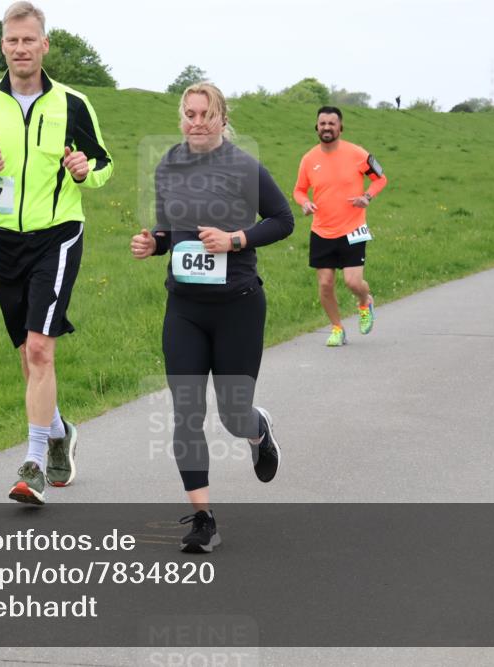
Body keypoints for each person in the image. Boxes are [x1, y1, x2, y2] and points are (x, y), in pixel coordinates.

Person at [0, 1, 113, 505]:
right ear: (2, 45)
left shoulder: (73, 104)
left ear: (45, 45)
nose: (20, 49)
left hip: (56, 235)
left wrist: (88, 171)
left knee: (42, 348)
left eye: (29, 40)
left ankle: (35, 464)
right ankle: (60, 430)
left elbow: (105, 165)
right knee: (27, 354)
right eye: (12, 40)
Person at [130, 83, 293, 553]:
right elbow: (171, 232)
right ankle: (204, 519)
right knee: (186, 412)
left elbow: (282, 220)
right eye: (190, 114)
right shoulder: (170, 166)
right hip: (185, 307)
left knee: (232, 413)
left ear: (222, 119)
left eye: (206, 114)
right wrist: (153, 244)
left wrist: (235, 240)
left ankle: (257, 429)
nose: (197, 122)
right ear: (181, 118)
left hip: (238, 305)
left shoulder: (243, 166)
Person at [293, 106, 387, 347]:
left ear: (340, 127)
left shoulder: (357, 154)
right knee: (325, 284)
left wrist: (366, 197)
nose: (326, 127)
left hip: (354, 227)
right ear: (317, 127)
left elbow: (381, 178)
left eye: (331, 123)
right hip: (321, 230)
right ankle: (337, 328)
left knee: (353, 282)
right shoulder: (309, 159)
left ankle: (365, 302)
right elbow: (299, 190)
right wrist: (304, 203)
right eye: (322, 123)